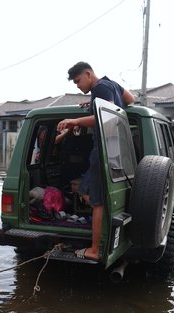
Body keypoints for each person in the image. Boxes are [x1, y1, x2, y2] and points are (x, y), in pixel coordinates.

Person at [56, 61, 135, 261]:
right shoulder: (111, 85)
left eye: (78, 81)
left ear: (88, 74)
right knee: (86, 192)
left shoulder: (100, 87)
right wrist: (92, 105)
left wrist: (75, 121)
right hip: (115, 150)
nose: (77, 86)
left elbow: (103, 118)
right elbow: (131, 99)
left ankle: (94, 249)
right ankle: (103, 226)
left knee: (97, 201)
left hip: (103, 149)